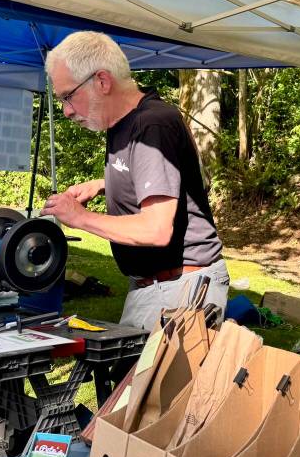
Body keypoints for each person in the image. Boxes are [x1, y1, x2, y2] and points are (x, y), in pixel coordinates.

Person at [41, 31, 229, 330]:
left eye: (67, 96)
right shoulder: (127, 120)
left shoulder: (151, 125)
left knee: (143, 379)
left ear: (102, 81)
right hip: (159, 285)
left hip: (179, 289)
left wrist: (80, 217)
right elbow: (167, 172)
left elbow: (155, 230)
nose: (65, 110)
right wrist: (103, 183)